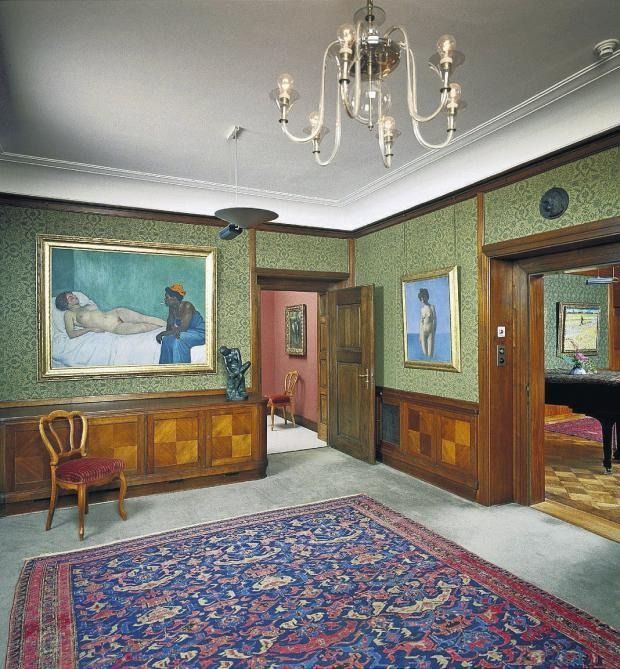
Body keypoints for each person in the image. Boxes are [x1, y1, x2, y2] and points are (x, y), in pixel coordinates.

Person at [55, 291, 166, 338]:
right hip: (113, 327)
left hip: (116, 313)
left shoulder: (86, 305)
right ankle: (168, 328)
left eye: (73, 295)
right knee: (143, 327)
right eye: (70, 297)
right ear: (65, 303)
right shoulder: (69, 314)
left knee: (145, 318)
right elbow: (71, 334)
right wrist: (90, 329)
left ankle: (170, 326)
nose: (74, 296)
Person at [157, 283, 205, 364]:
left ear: (174, 298)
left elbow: (183, 328)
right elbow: (169, 328)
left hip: (200, 333)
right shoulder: (172, 308)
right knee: (166, 340)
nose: (165, 299)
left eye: (167, 297)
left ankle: (180, 367)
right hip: (187, 332)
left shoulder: (187, 306)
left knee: (179, 339)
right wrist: (170, 330)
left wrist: (162, 333)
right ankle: (165, 368)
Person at [418, 288, 436, 358]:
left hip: (430, 333)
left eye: (423, 297)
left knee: (430, 355)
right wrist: (420, 335)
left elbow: (435, 320)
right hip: (423, 333)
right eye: (421, 297)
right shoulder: (422, 309)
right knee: (425, 355)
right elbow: (421, 323)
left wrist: (433, 332)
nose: (422, 299)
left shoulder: (432, 307)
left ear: (427, 296)